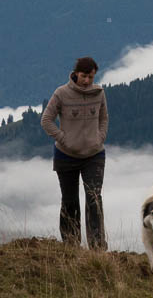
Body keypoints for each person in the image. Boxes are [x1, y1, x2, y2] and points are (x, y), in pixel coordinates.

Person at [41, 56, 109, 250]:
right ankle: (71, 246)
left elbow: (104, 117)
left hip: (94, 155)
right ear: (75, 74)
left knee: (94, 199)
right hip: (66, 156)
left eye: (90, 77)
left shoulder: (99, 93)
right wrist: (63, 139)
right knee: (70, 201)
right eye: (83, 76)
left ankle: (98, 247)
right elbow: (46, 120)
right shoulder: (61, 93)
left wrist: (100, 137)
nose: (87, 81)